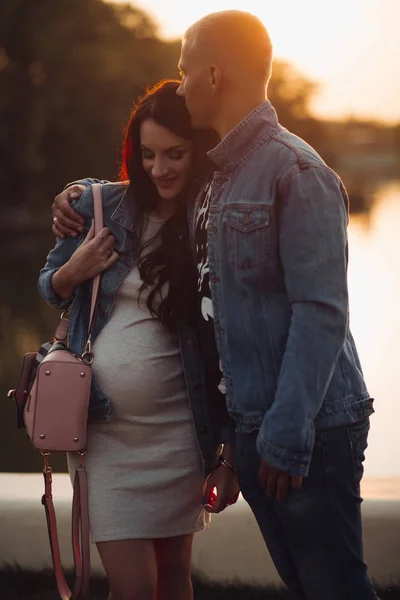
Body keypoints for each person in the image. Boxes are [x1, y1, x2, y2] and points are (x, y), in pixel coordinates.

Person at [51, 11, 378, 600]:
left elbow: (321, 312)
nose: (179, 84)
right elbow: (219, 321)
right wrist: (73, 197)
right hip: (251, 429)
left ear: (214, 73)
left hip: (299, 429)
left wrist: (283, 432)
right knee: (307, 585)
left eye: (183, 71)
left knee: (333, 586)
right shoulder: (221, 177)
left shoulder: (295, 170)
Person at [40, 80, 239, 600]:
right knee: (134, 588)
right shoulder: (102, 206)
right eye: (147, 154)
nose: (160, 168)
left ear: (197, 150)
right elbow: (49, 286)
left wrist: (228, 452)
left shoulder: (209, 219)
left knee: (174, 582)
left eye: (175, 153)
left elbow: (227, 344)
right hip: (104, 438)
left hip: (180, 433)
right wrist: (75, 270)